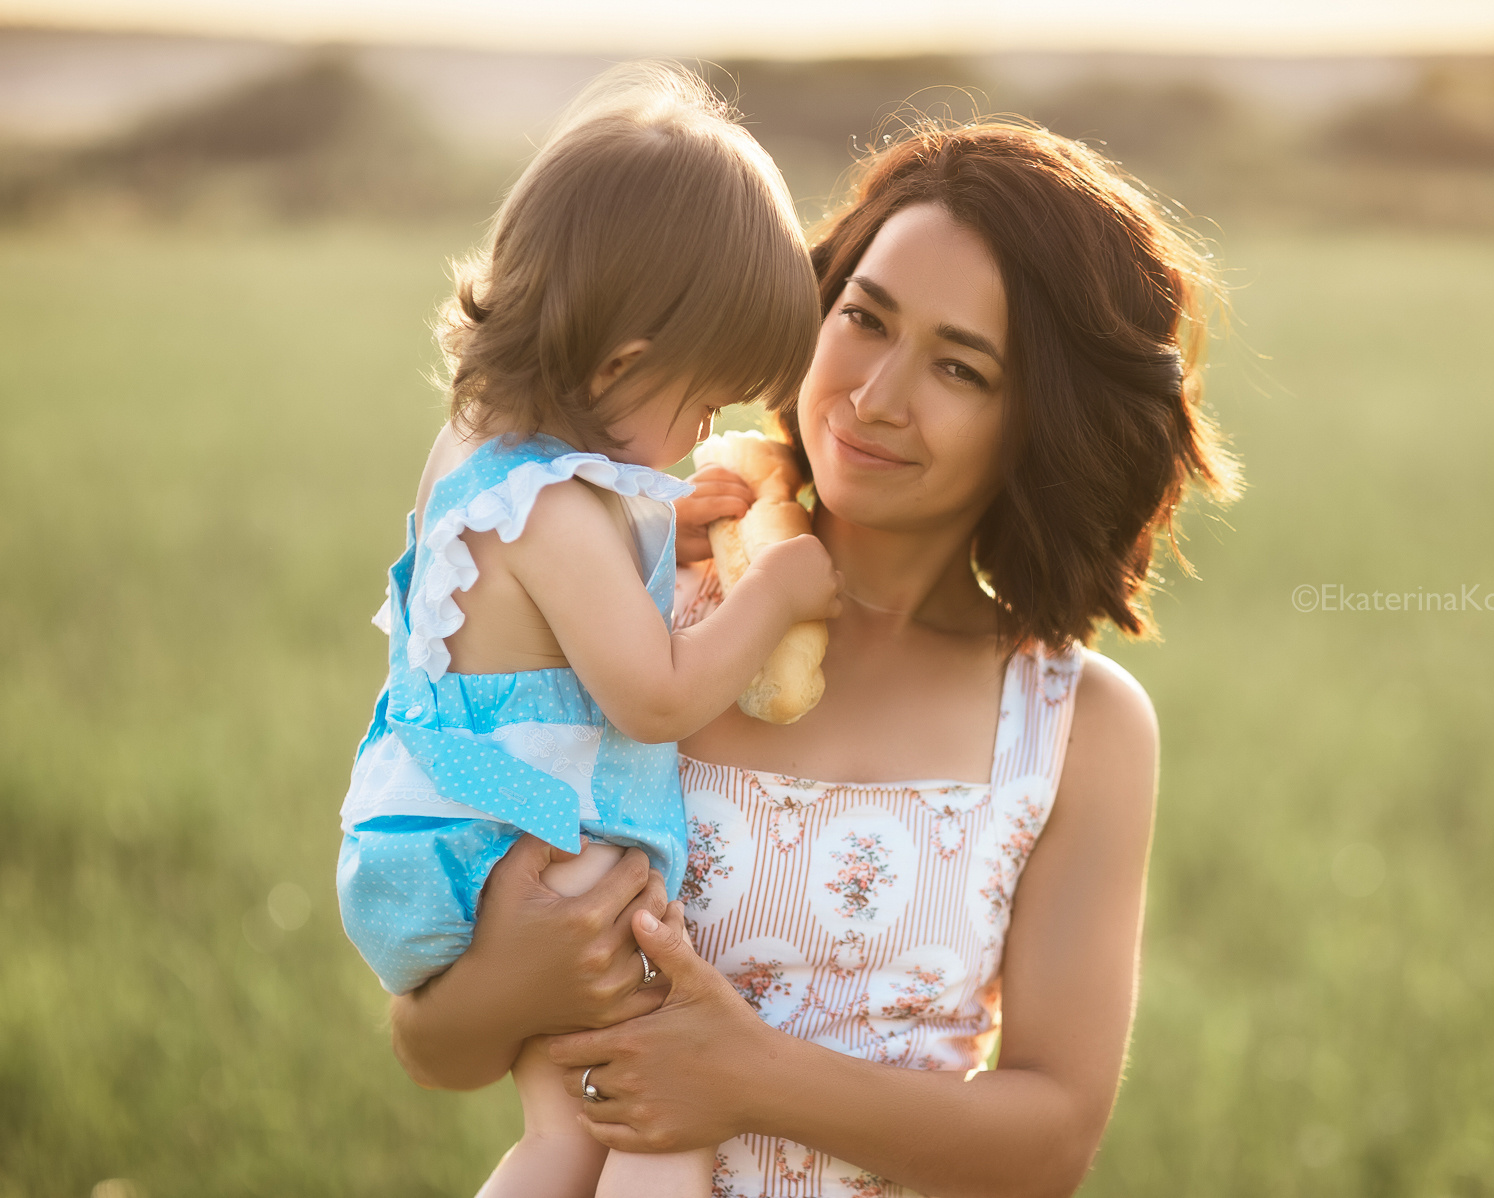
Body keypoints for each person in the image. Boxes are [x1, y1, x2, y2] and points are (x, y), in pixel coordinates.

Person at [388, 116, 1241, 1198]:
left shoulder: (1073, 726)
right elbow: (431, 1045)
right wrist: (512, 979)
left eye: (962, 368)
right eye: (865, 318)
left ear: (1042, 419)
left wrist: (752, 1079)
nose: (877, 395)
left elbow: (1051, 1143)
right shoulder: (634, 619)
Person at [335, 63, 840, 1198]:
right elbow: (650, 696)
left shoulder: (481, 453)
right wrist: (777, 592)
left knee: (565, 1137)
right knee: (668, 1125)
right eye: (704, 406)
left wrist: (683, 532)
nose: (704, 432)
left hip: (446, 833)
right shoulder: (556, 508)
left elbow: (547, 620)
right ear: (621, 366)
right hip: (534, 856)